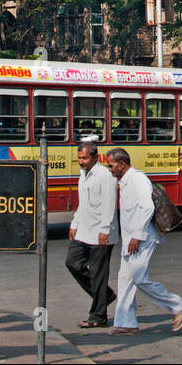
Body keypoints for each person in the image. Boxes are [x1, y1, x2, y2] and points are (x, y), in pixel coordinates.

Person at [106, 148, 182, 336]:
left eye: (111, 165)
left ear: (121, 164)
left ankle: (178, 306)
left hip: (142, 238)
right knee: (125, 279)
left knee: (138, 278)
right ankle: (126, 323)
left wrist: (136, 235)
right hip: (131, 239)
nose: (110, 169)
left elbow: (147, 208)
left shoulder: (137, 178)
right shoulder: (125, 181)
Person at [66, 138, 118, 329]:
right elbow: (83, 203)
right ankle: (106, 294)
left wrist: (105, 230)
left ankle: (98, 316)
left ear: (95, 157)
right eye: (79, 158)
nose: (81, 161)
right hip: (84, 230)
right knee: (72, 262)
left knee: (98, 274)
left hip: (101, 232)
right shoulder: (83, 174)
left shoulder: (105, 176)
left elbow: (109, 204)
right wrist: (75, 223)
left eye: (85, 158)